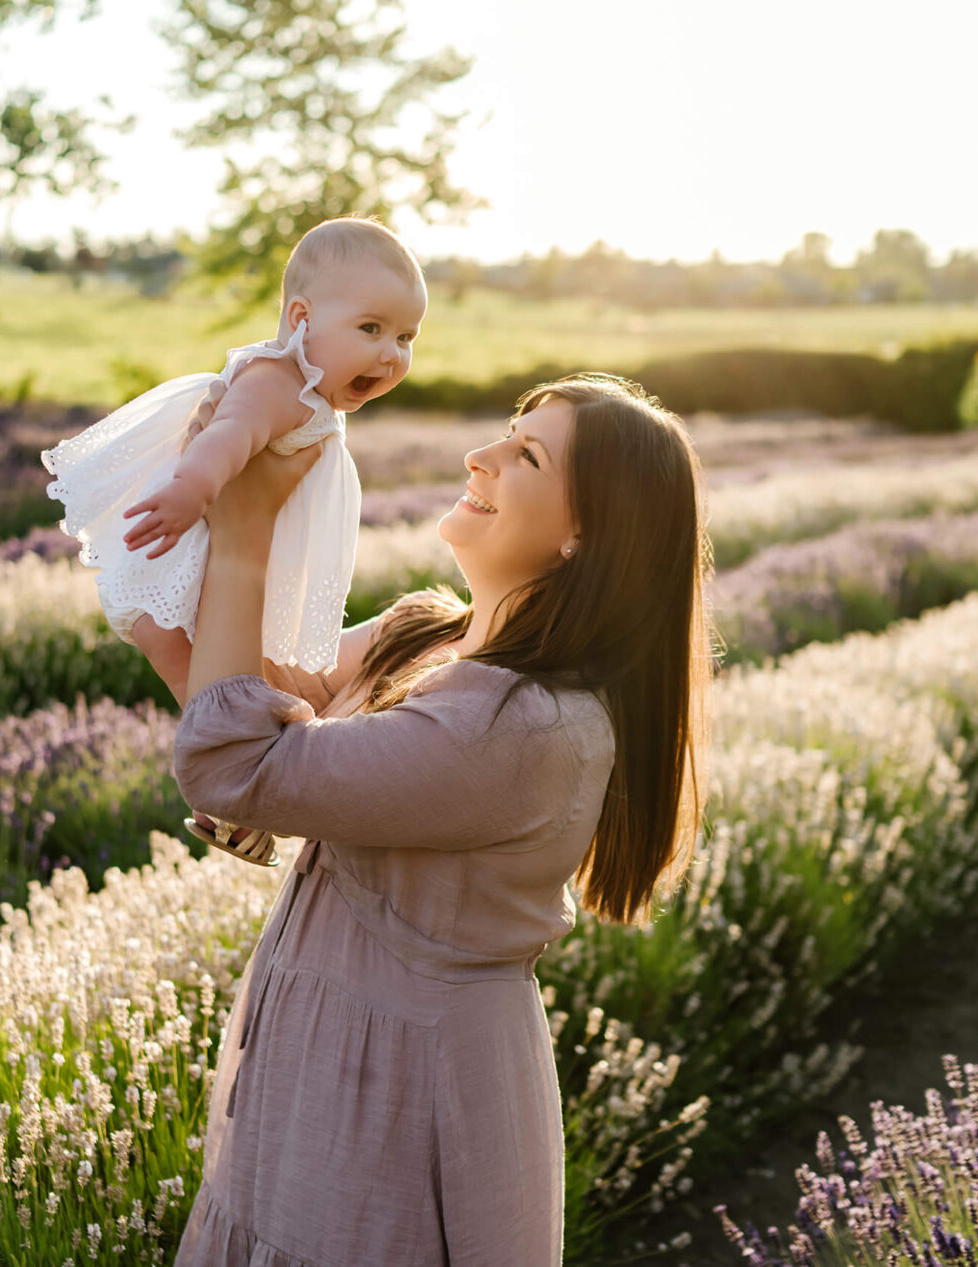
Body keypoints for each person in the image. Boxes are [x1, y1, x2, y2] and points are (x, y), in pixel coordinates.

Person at [166, 374, 718, 1266]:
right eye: (507, 431)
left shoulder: (526, 727)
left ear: (586, 534)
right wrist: (231, 465)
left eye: (527, 454)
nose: (480, 456)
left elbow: (233, 762)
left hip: (401, 1101)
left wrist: (245, 529)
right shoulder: (423, 635)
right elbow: (235, 700)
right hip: (318, 1072)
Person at [41, 217, 427, 865]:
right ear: (300, 318)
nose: (392, 353)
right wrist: (194, 487)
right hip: (193, 545)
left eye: (407, 337)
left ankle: (242, 782)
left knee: (243, 677)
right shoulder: (280, 382)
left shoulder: (308, 391)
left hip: (232, 554)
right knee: (195, 662)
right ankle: (234, 781)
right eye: (371, 329)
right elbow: (229, 435)